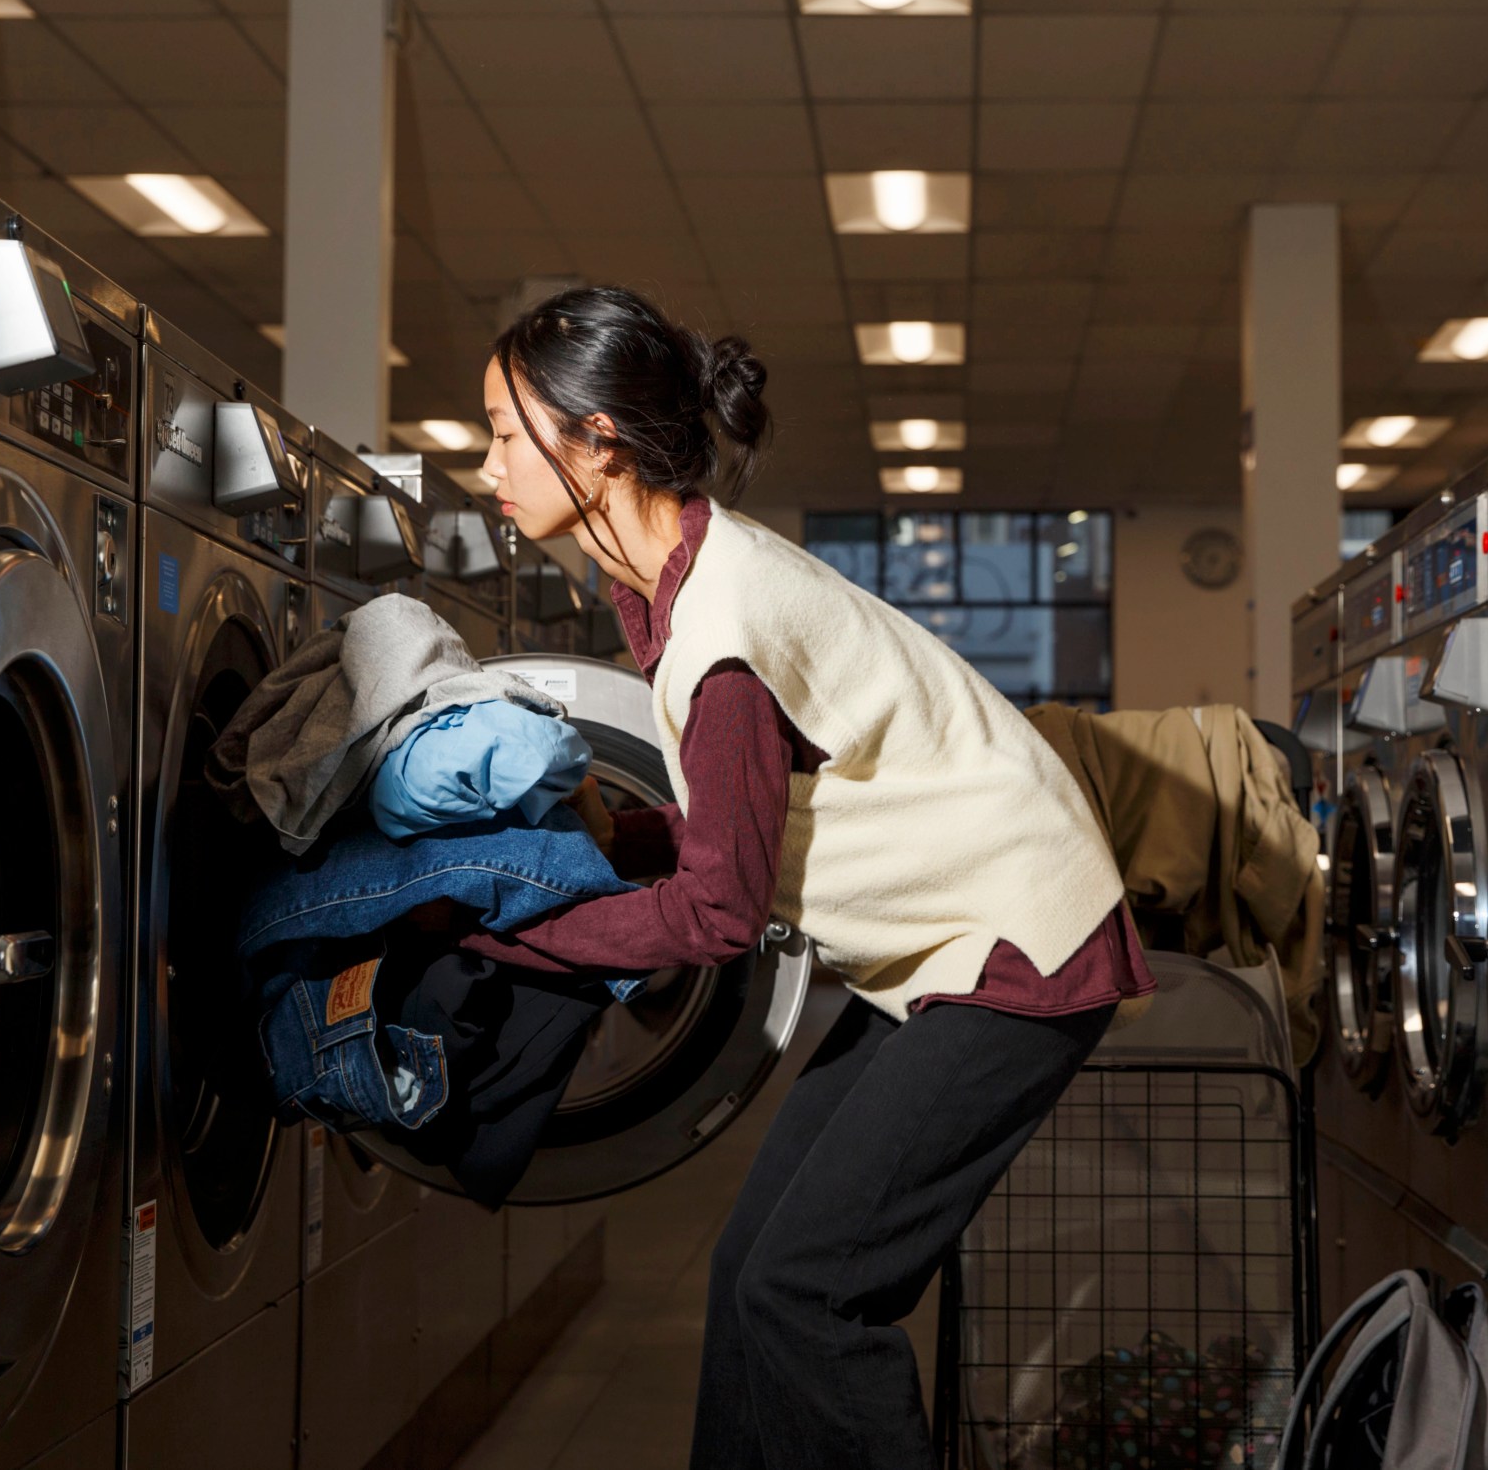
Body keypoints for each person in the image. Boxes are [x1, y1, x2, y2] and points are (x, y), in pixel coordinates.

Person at [464, 286, 1153, 1470]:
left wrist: (510, 935)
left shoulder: (719, 621)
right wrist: (561, 862)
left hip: (1013, 942)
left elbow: (719, 911)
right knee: (751, 1268)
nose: (483, 465)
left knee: (809, 1294)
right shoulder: (667, 578)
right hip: (938, 945)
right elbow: (738, 824)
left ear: (597, 442)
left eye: (502, 433)